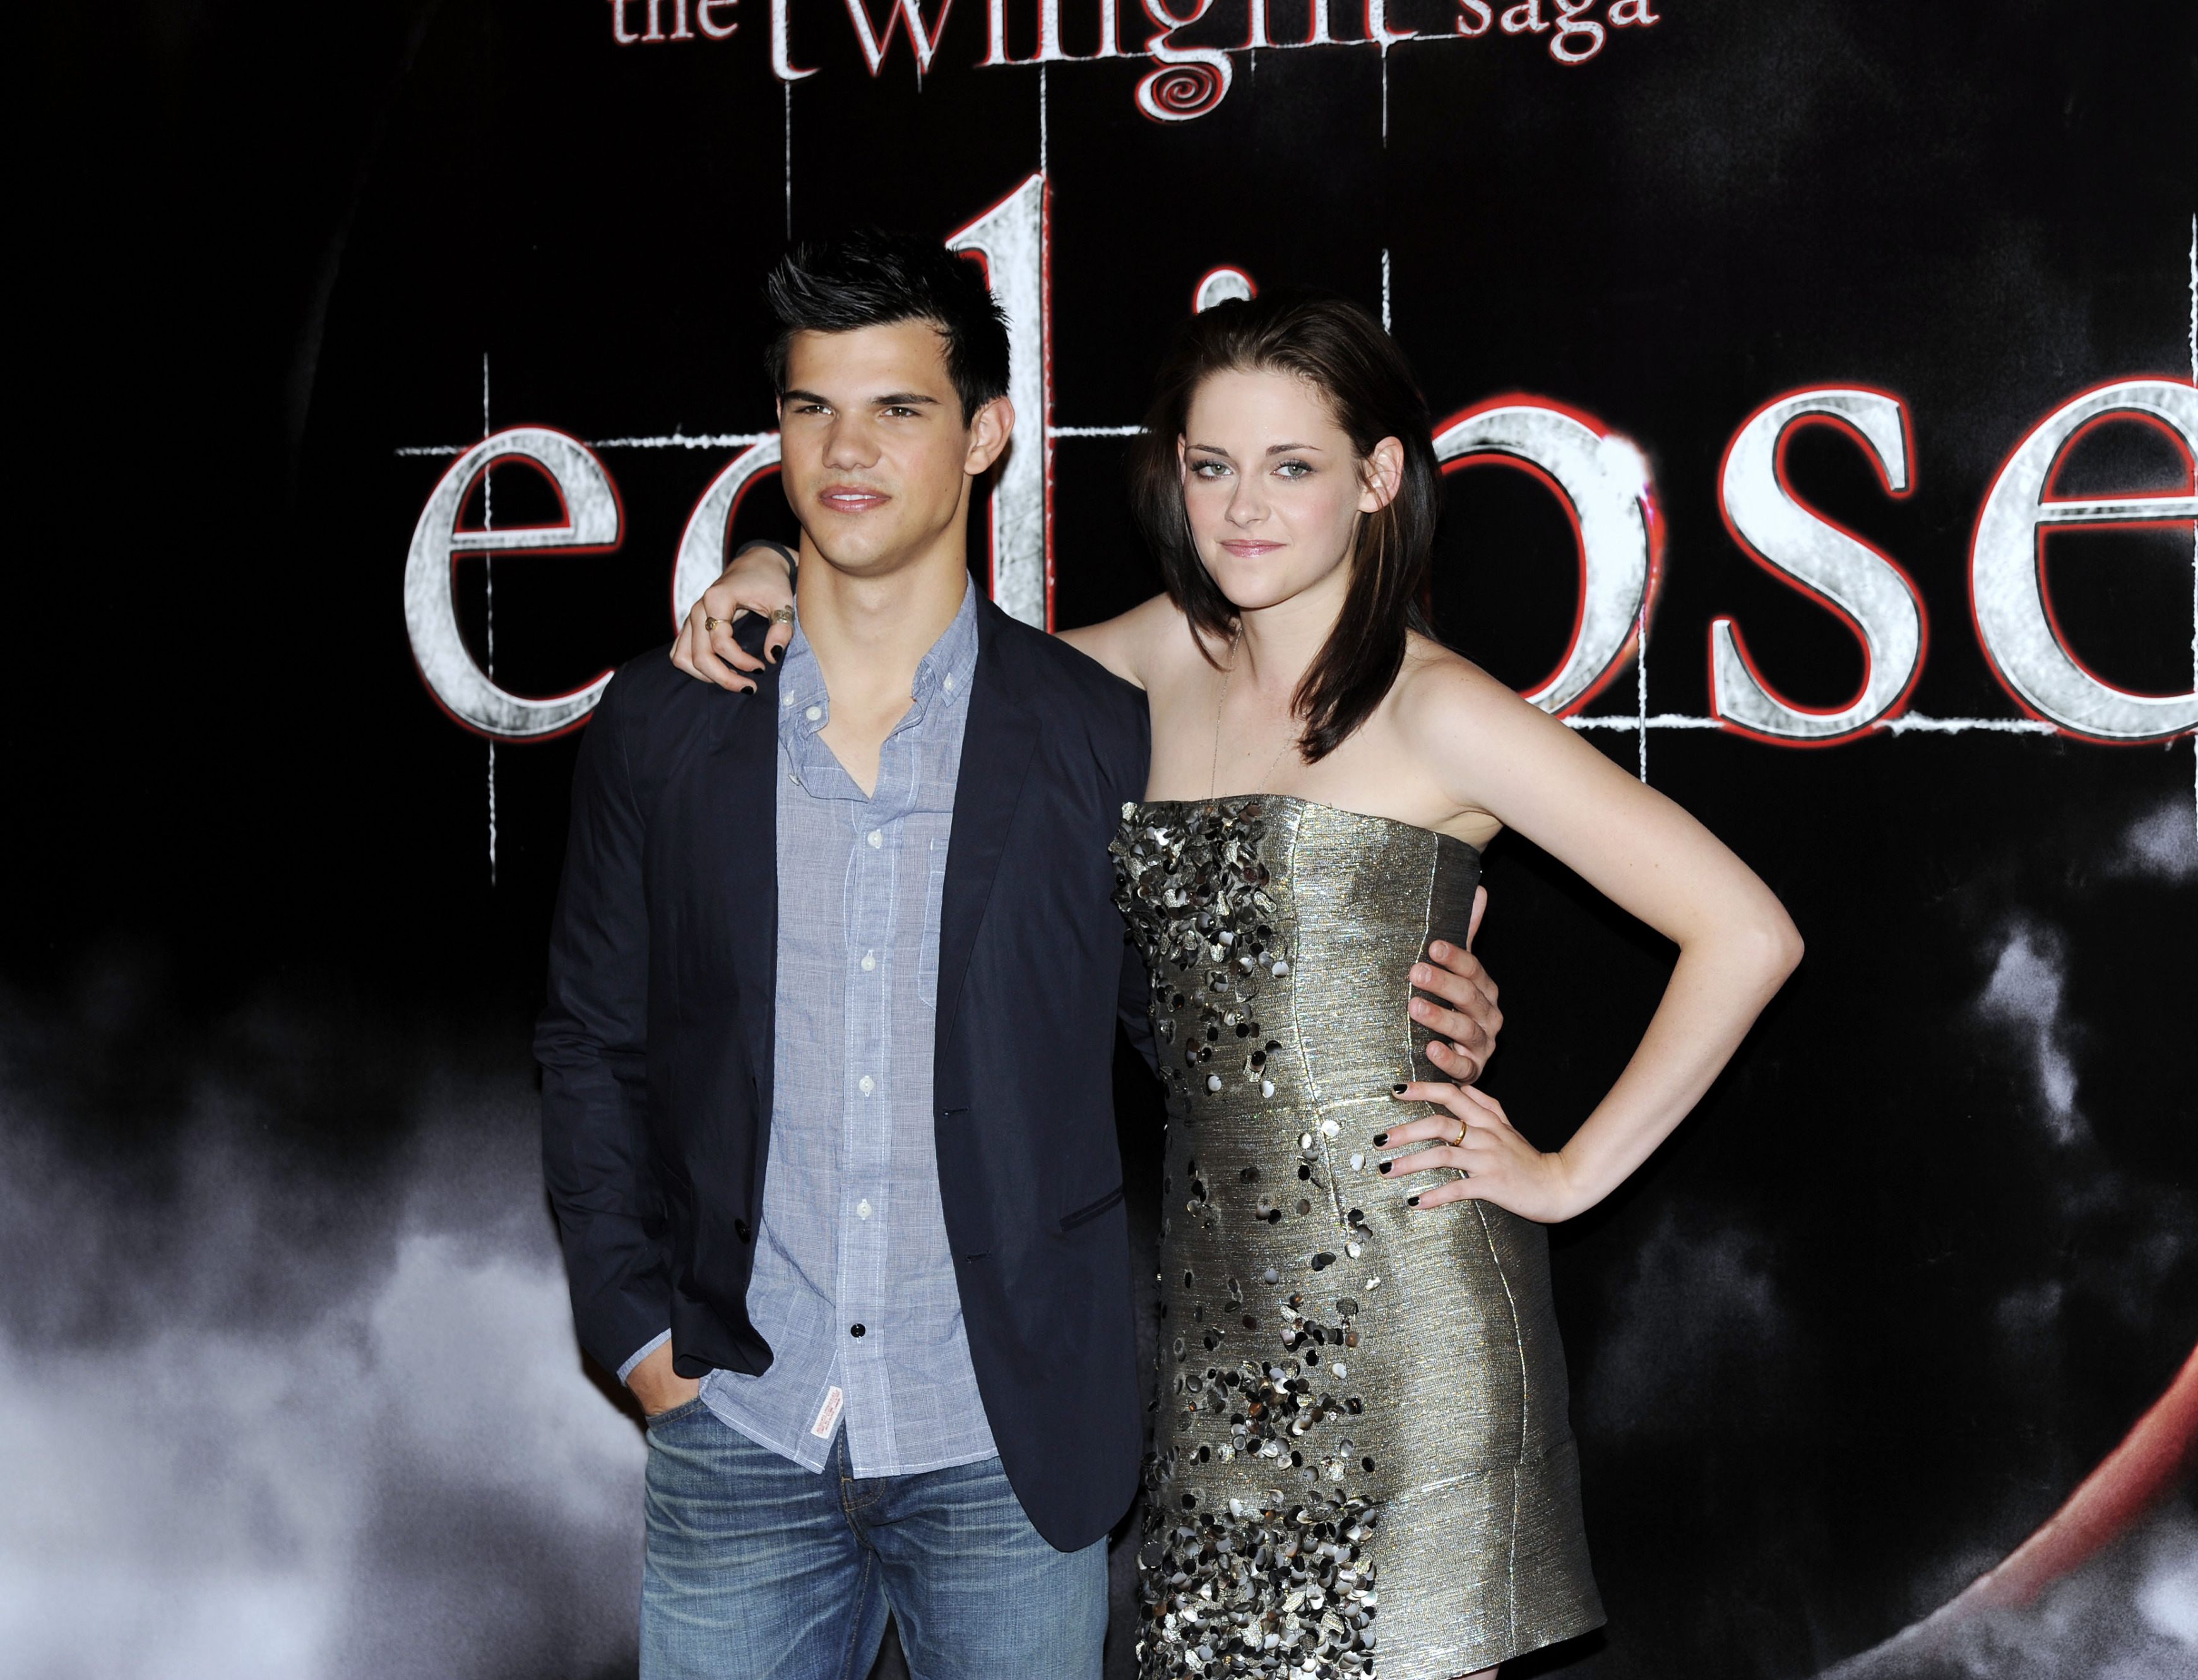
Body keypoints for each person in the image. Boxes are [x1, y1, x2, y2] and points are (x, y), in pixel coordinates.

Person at [686, 289, 1803, 1680]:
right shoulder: (1148, 661)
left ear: (1377, 477)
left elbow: (1745, 931)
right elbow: (910, 654)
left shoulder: (1439, 708)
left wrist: (1569, 1174)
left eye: (1291, 466)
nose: (1244, 508)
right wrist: (772, 563)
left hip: (1405, 1320)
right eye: (1212, 466)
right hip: (1214, 1332)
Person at [538, 237, 1507, 1680]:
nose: (847, 450)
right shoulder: (665, 723)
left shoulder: (1094, 726)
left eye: (899, 408)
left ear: (985, 433)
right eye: (812, 408)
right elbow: (589, 1041)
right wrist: (637, 1339)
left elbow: (1201, 1020)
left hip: (1007, 1452)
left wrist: (1390, 1009)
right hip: (736, 1431)